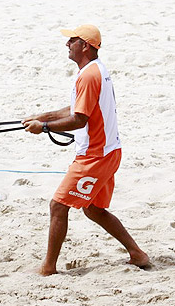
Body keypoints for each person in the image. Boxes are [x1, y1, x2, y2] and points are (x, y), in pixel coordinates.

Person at [23, 25, 149, 275]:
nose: (67, 44)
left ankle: (48, 268)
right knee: (93, 208)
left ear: (86, 46)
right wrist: (42, 116)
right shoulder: (93, 71)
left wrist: (44, 126)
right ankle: (137, 254)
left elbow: (79, 119)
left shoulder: (89, 75)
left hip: (95, 155)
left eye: (72, 40)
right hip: (107, 151)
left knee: (58, 206)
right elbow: (75, 109)